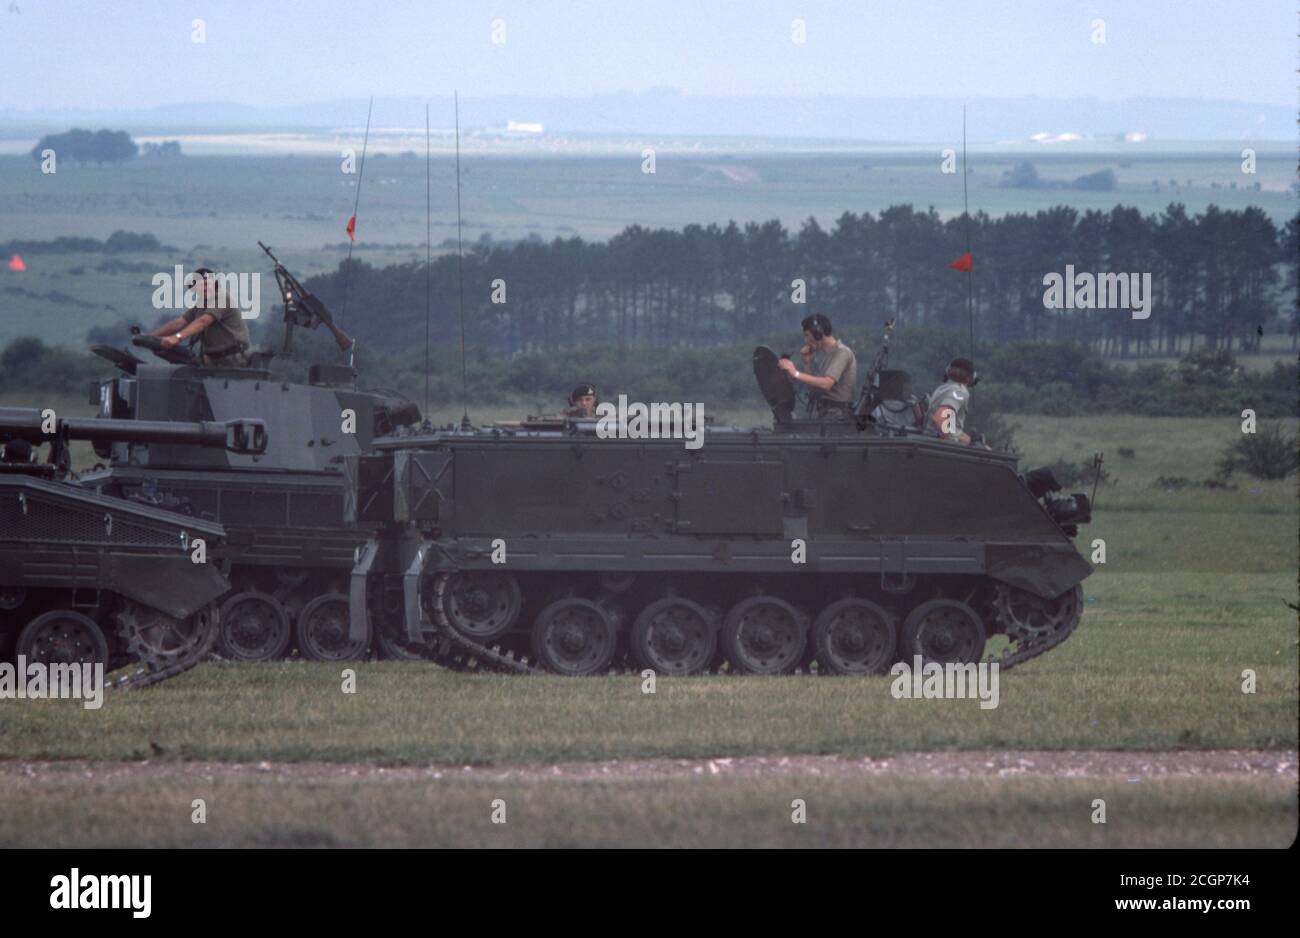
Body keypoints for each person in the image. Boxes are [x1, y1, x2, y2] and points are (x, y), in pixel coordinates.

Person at [150, 267, 252, 366]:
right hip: (213, 359)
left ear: (215, 285)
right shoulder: (201, 304)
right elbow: (179, 323)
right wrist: (150, 338)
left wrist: (177, 337)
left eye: (207, 284)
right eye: (200, 285)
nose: (205, 288)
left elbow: (203, 322)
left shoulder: (222, 298)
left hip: (234, 358)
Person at [776, 314, 858, 416]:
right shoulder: (827, 356)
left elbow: (826, 384)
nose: (806, 341)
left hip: (838, 416)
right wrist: (807, 363)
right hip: (826, 413)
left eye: (807, 335)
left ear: (818, 334)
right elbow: (816, 389)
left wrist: (796, 373)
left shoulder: (842, 352)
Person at [926, 357, 978, 444]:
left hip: (930, 440)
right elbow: (941, 419)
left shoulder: (942, 389)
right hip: (940, 447)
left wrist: (969, 440)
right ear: (970, 378)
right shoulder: (959, 391)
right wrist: (952, 441)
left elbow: (952, 430)